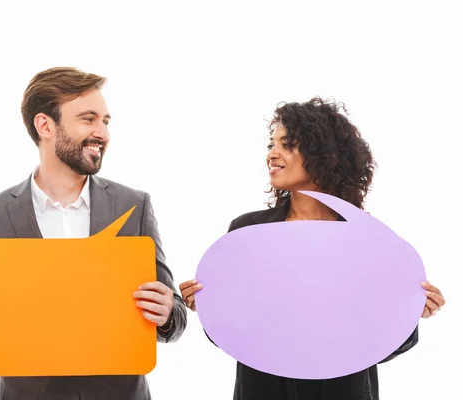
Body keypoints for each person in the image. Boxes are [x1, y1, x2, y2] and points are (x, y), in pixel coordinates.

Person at [0, 66, 187, 400]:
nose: (103, 133)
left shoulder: (134, 204)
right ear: (45, 125)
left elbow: (175, 316)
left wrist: (167, 313)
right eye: (88, 119)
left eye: (105, 121)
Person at [179, 97, 446, 400]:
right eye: (271, 144)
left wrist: (411, 312)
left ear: (325, 155)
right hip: (263, 390)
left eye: (287, 144)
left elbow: (382, 343)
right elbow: (233, 338)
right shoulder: (247, 232)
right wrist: (213, 307)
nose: (273, 154)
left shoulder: (370, 239)